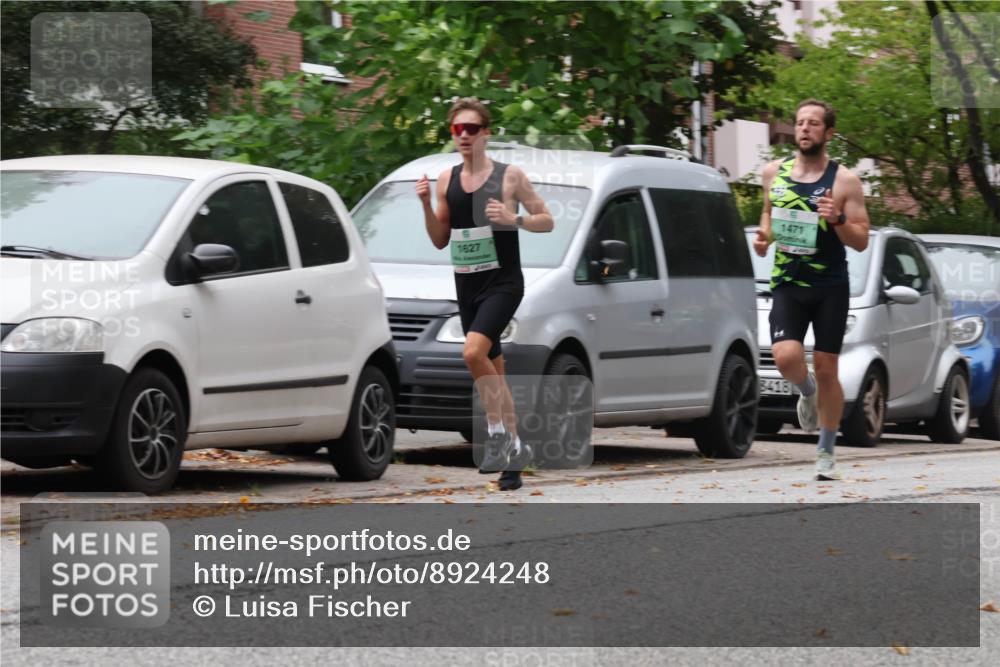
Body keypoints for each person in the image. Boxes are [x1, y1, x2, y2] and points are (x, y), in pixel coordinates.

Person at [416, 97, 554, 491]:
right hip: (468, 286)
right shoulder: (446, 179)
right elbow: (440, 239)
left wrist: (515, 219)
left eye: (471, 129)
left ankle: (495, 433)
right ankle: (516, 454)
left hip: (503, 283)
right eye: (457, 129)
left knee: (472, 353)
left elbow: (547, 220)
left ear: (486, 133)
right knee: (497, 373)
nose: (463, 135)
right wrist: (425, 204)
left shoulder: (510, 176)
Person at [753, 98, 870, 481]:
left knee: (827, 367)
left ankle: (826, 451)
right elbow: (769, 213)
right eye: (801, 122)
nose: (804, 128)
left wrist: (837, 218)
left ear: (828, 133)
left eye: (814, 123)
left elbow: (861, 240)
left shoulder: (844, 181)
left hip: (829, 286)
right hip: (788, 281)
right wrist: (764, 237)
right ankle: (807, 391)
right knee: (786, 357)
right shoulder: (774, 172)